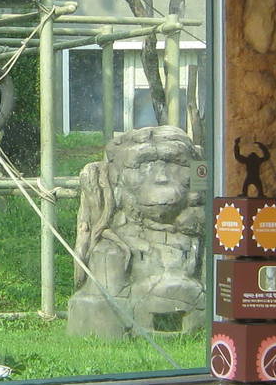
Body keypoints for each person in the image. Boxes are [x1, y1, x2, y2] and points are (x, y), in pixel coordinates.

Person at [67, 125, 206, 339]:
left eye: (175, 163)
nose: (161, 177)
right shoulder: (111, 250)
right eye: (143, 164)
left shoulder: (205, 243)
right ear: (116, 176)